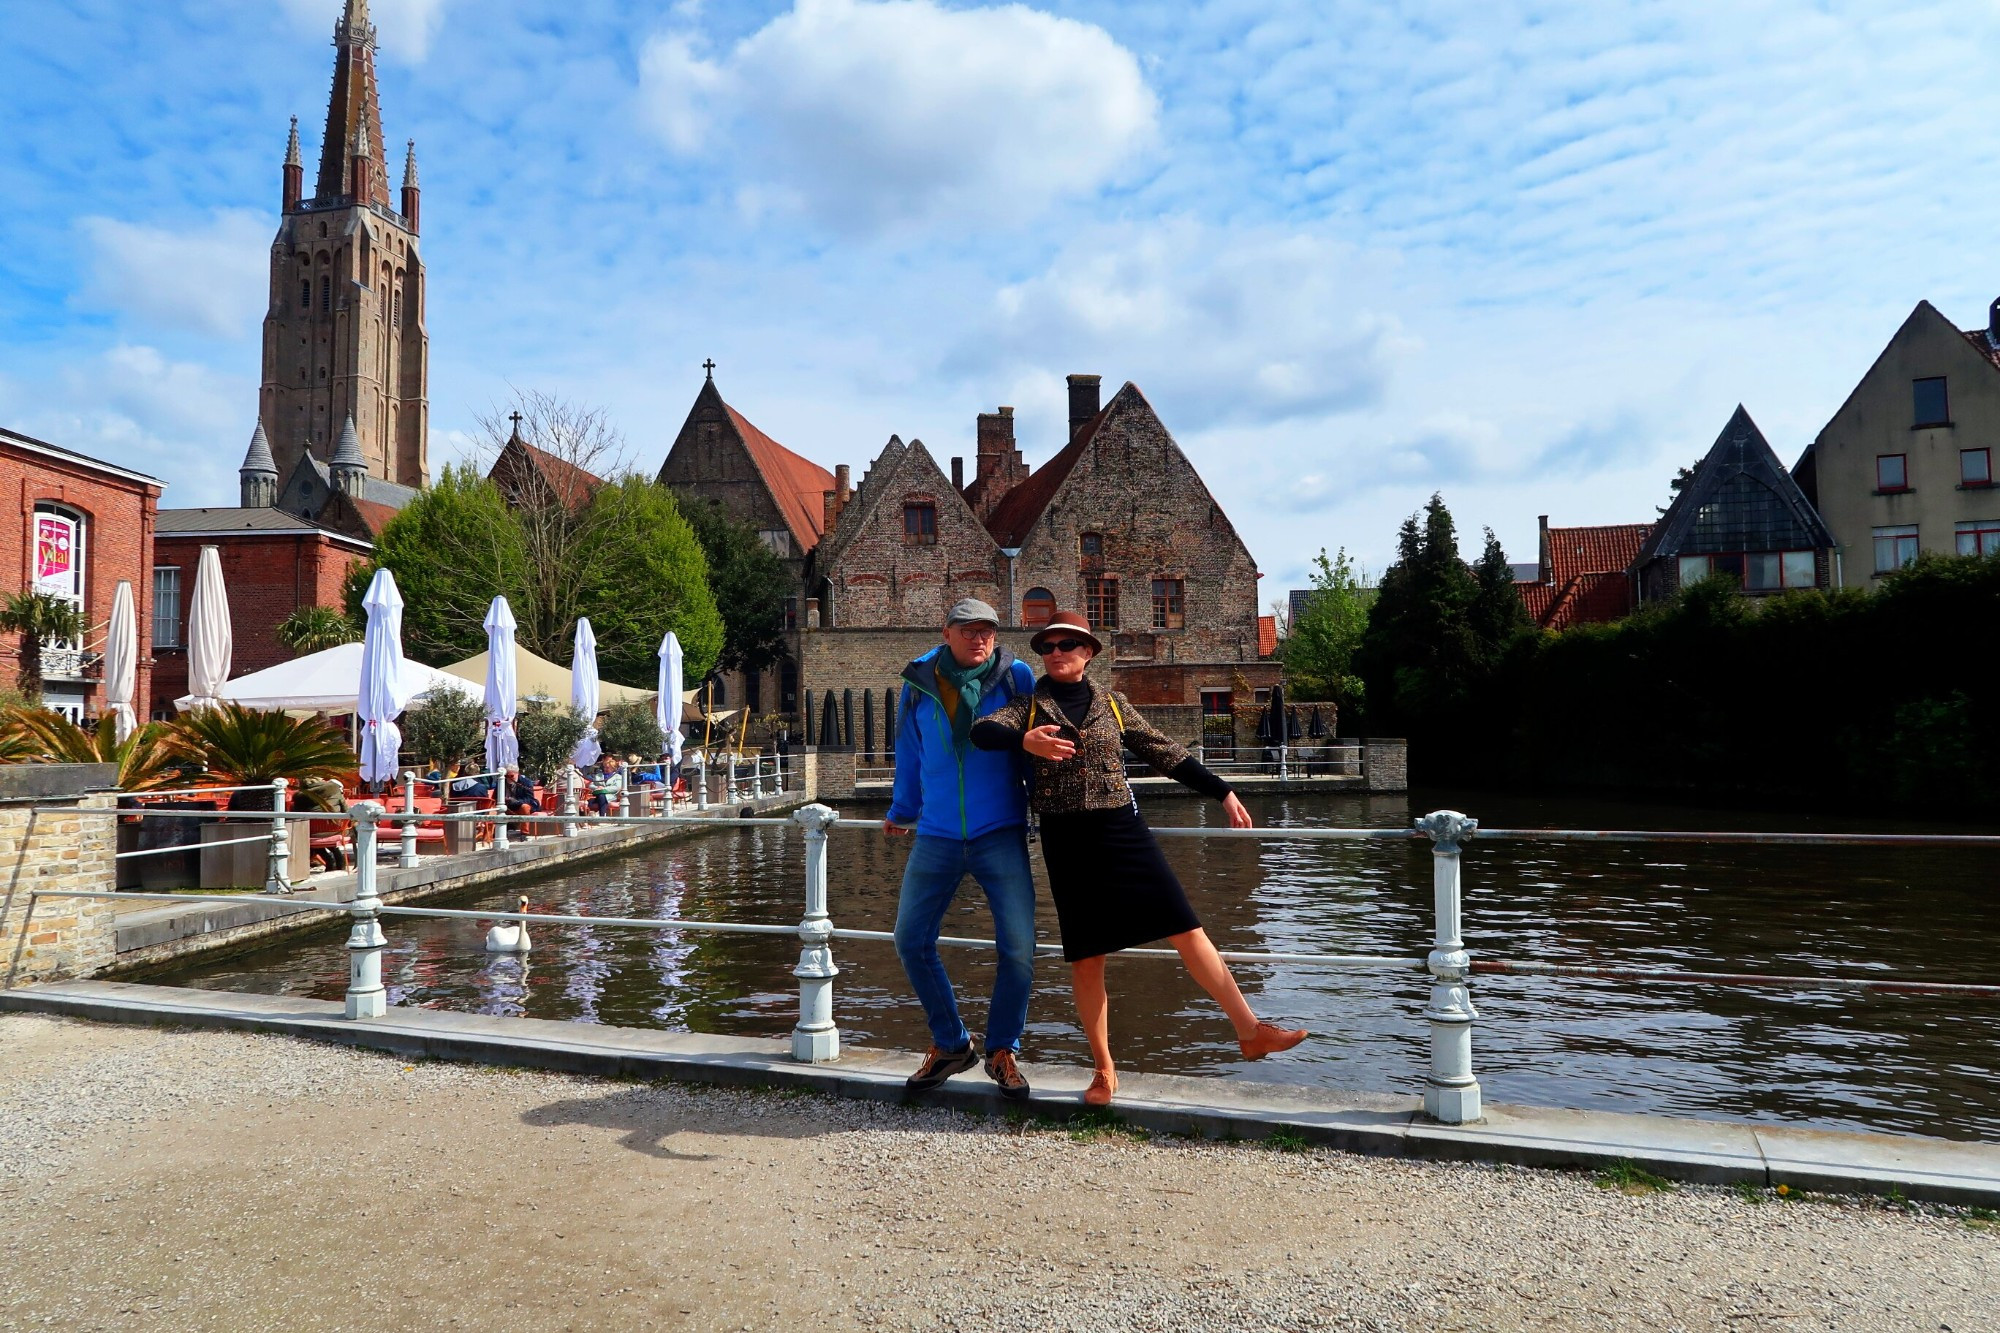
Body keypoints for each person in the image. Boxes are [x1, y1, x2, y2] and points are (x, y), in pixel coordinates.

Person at [972, 608, 1307, 1107]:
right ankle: (1104, 1070)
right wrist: (1024, 739)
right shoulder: (1029, 707)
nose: (1056, 653)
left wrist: (1223, 792)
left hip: (1122, 830)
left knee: (1186, 928)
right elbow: (981, 732)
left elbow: (1164, 751)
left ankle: (1250, 1030)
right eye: (1048, 647)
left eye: (1067, 645)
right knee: (1087, 958)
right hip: (1067, 839)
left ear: (1088, 653)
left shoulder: (1113, 703)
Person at [886, 597, 1039, 1099]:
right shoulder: (919, 683)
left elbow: (1040, 745)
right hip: (936, 833)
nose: (980, 639)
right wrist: (902, 810)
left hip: (1000, 831)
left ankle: (1001, 1050)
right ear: (945, 632)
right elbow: (909, 752)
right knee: (910, 939)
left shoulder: (1017, 679)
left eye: (988, 631)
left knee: (1018, 949)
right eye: (969, 630)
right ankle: (952, 1044)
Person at [502, 765, 538, 837]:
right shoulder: (501, 781)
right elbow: (495, 796)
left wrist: (516, 801)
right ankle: (489, 834)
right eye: (506, 776)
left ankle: (524, 833)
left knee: (525, 807)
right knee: (493, 808)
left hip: (519, 805)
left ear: (517, 773)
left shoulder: (526, 782)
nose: (508, 778)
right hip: (505, 805)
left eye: (511, 776)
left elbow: (529, 798)